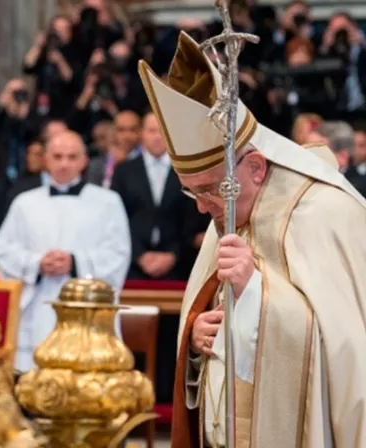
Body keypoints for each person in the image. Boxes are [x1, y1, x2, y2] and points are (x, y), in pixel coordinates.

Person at [138, 31, 366, 446]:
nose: (202, 206)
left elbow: (348, 354)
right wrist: (195, 336)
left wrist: (256, 291)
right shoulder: (227, 208)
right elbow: (209, 319)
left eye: (208, 188)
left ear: (257, 167)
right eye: (191, 190)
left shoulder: (327, 212)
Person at [0, 130, 131, 371]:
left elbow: (118, 253)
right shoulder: (25, 203)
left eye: (71, 157)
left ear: (84, 160)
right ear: (45, 159)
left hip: (87, 310)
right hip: (38, 306)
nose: (64, 164)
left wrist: (75, 263)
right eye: (57, 156)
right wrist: (37, 263)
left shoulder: (108, 202)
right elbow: (4, 250)